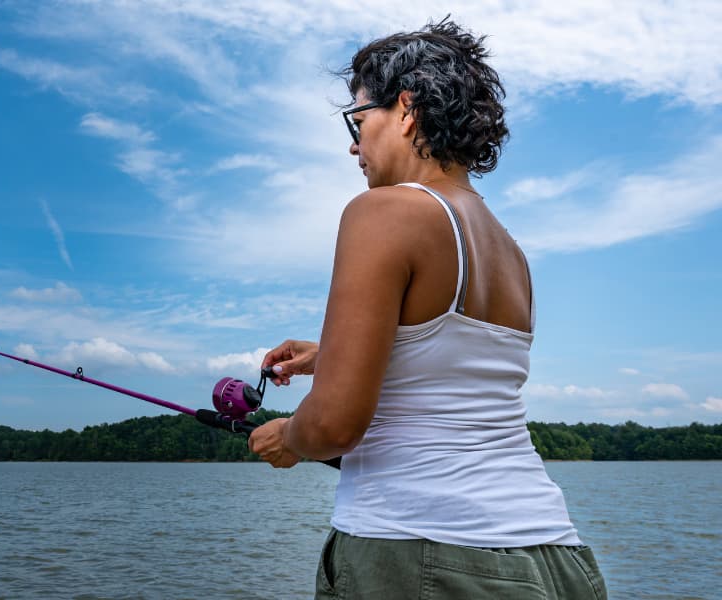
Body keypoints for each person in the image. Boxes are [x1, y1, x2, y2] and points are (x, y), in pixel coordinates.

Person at [247, 18, 608, 599]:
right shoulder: (508, 249)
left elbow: (335, 424)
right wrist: (332, 354)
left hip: (422, 553)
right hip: (557, 559)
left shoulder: (384, 211)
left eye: (359, 120)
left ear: (407, 108)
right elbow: (449, 364)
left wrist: (290, 436)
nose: (353, 143)